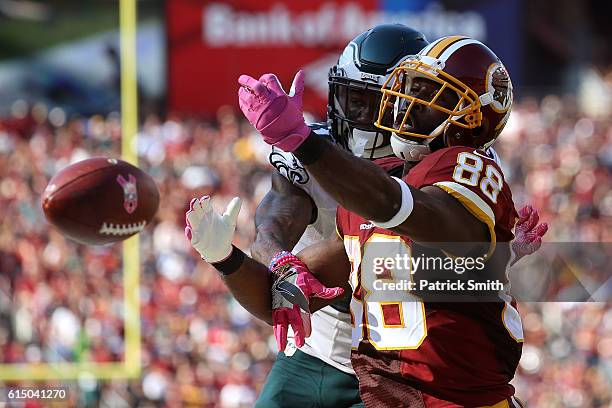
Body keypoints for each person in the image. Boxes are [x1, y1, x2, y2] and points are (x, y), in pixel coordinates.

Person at [233, 35, 546, 406]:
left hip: (445, 390)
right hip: (363, 372)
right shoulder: (353, 188)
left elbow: (398, 208)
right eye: (406, 91)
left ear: (470, 118)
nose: (402, 108)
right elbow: (283, 269)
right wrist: (238, 259)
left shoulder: (465, 166)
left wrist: (300, 141)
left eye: (427, 95)